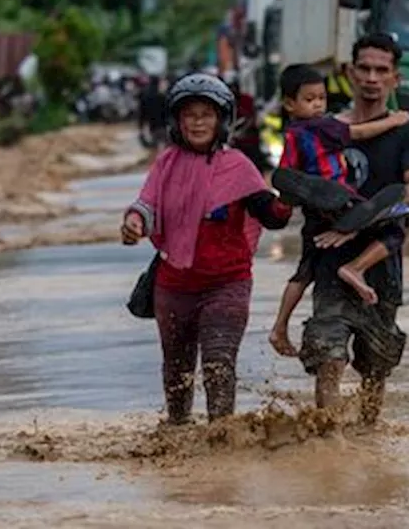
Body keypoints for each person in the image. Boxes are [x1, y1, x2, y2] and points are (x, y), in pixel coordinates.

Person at [268, 32, 409, 424]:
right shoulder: (322, 125)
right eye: (364, 68)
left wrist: (356, 223)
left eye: (382, 70)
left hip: (380, 265)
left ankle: (369, 436)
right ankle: (331, 447)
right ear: (349, 73)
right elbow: (292, 181)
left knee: (376, 368)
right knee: (328, 356)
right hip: (328, 259)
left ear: (397, 78)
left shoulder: (408, 130)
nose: (372, 78)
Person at [121, 73, 291, 425]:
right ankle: (177, 432)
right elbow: (146, 205)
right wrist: (134, 222)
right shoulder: (165, 164)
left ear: (222, 120)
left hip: (226, 284)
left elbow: (272, 217)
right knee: (176, 371)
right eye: (189, 115)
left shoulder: (239, 166)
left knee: (218, 364)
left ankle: (222, 437)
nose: (197, 122)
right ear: (177, 121)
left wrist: (292, 195)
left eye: (206, 115)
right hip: (173, 287)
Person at [270, 62, 409, 310]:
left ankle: (279, 327)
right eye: (309, 99)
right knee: (393, 230)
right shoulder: (325, 126)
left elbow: (286, 173)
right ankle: (354, 268)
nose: (317, 104)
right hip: (340, 195)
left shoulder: (292, 133)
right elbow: (358, 133)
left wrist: (284, 203)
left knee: (304, 272)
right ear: (290, 104)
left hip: (313, 213)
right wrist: (395, 120)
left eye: (321, 98)